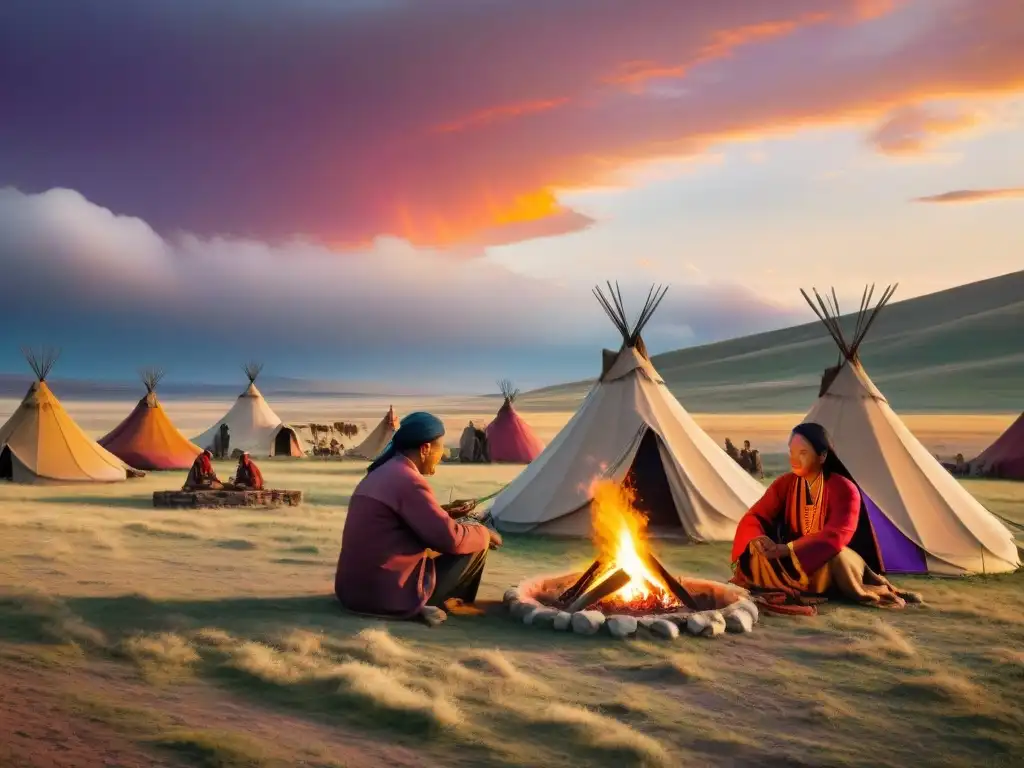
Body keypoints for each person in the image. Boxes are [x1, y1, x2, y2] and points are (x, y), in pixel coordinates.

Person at [334, 412, 502, 626]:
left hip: (353, 593)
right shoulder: (409, 480)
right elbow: (450, 539)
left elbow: (401, 522)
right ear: (425, 449)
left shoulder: (382, 473)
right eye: (440, 449)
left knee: (457, 540)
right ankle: (450, 605)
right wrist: (483, 532)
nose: (441, 456)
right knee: (475, 544)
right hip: (383, 597)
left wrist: (447, 512)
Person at [730, 422, 919, 612]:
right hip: (788, 558)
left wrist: (787, 549)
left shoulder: (844, 488)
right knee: (755, 549)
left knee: (838, 558)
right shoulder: (784, 484)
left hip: (825, 557)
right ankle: (783, 583)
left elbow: (837, 533)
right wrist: (760, 538)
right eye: (791, 452)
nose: (794, 459)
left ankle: (872, 587)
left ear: (822, 456)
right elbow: (755, 516)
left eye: (802, 453)